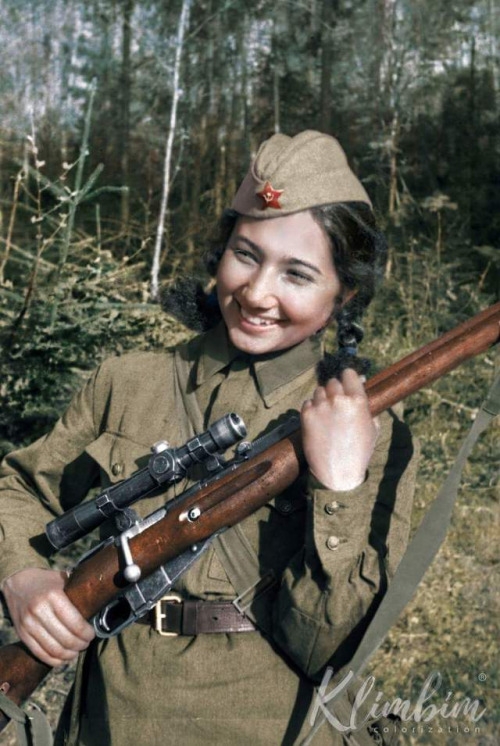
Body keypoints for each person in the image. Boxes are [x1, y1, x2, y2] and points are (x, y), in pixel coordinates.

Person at [0, 131, 418, 745]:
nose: (256, 293)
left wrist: (341, 485)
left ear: (344, 294)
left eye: (297, 274)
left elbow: (326, 643)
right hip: (113, 716)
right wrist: (23, 577)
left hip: (266, 721)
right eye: (245, 254)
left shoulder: (371, 434)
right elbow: (18, 488)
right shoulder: (126, 381)